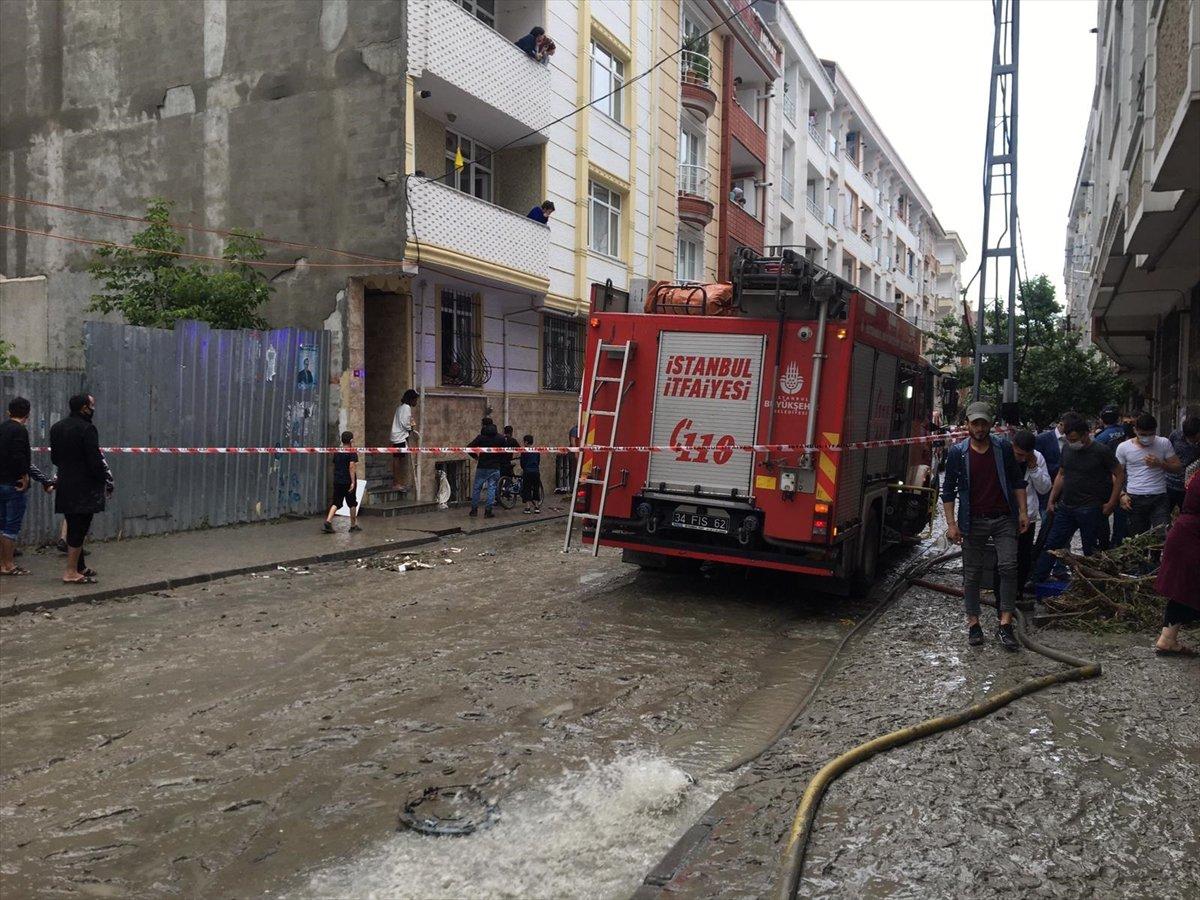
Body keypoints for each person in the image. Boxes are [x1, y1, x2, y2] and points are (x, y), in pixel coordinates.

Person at [941, 401, 1029, 650]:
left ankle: (1005, 623)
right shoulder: (958, 453)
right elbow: (947, 491)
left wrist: (1022, 512)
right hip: (973, 521)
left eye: (984, 423)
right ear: (967, 424)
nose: (979, 428)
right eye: (975, 423)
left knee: (1009, 566)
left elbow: (1016, 482)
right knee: (973, 572)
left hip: (1003, 518)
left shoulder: (1001, 448)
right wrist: (951, 524)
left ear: (991, 424)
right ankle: (973, 623)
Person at [1031, 413, 1123, 584]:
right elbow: (1061, 474)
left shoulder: (1101, 451)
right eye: (1068, 439)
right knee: (1052, 544)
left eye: (1074, 439)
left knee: (1093, 550)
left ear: (1085, 434)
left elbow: (1119, 474)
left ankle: (1095, 584)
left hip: (1092, 508)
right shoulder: (1067, 448)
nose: (1072, 443)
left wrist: (1112, 502)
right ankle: (1037, 580)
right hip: (1066, 507)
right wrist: (1052, 499)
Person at [49, 393, 110, 585]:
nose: (93, 409)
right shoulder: (87, 429)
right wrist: (105, 480)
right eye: (92, 405)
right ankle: (70, 572)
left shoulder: (57, 427)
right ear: (84, 407)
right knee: (79, 528)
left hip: (66, 483)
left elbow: (55, 458)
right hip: (85, 486)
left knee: (73, 523)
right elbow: (95, 460)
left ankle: (79, 567)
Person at [1, 397, 56, 576]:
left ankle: (2, 563)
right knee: (11, 527)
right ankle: (8, 564)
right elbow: (19, 457)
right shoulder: (20, 431)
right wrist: (24, 476)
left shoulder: (2, 428)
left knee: (2, 525)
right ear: (28, 414)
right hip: (14, 485)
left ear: (9, 412)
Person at [1153, 467, 1199, 656]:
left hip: (1185, 535)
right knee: (1187, 587)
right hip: (1192, 537)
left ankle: (1167, 639)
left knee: (1184, 588)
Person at [1115, 412, 1180, 538]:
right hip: (1135, 498)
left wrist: (1160, 464)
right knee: (1138, 539)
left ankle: (1156, 558)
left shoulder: (1163, 443)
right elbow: (1116, 475)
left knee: (1162, 536)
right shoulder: (1124, 447)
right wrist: (1121, 495)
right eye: (1143, 435)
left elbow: (1177, 468)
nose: (1147, 438)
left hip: (1159, 498)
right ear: (1135, 430)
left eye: (1151, 434)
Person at [1010, 429, 1051, 593]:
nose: (1021, 459)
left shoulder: (1037, 458)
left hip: (1028, 517)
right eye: (1018, 454)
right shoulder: (1005, 456)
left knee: (1023, 557)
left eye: (1025, 455)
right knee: (1005, 558)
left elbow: (1044, 488)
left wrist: (1033, 467)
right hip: (1006, 515)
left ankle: (1018, 591)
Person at [467, 418, 506, 519]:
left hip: (482, 466)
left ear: (483, 425)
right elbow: (505, 452)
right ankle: (488, 511)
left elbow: (469, 447)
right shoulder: (500, 438)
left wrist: (475, 457)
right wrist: (500, 460)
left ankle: (474, 510)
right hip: (494, 467)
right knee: (491, 488)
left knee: (477, 488)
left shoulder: (481, 438)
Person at [323, 431, 361, 534]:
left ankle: (328, 521)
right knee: (352, 503)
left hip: (338, 480)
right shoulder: (352, 452)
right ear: (351, 440)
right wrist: (353, 482)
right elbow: (351, 466)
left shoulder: (337, 451)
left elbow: (335, 464)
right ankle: (353, 525)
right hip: (348, 481)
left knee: (336, 502)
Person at [1165, 415, 1200, 515]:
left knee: (1187, 516)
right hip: (1169, 484)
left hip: (1189, 488)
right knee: (1164, 517)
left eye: (1194, 437)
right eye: (1189, 437)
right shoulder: (1175, 436)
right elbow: (1167, 453)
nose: (1192, 440)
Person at [390, 389, 419, 493]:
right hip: (400, 437)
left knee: (397, 459)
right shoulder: (406, 408)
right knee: (398, 460)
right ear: (411, 399)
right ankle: (397, 483)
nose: (416, 402)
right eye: (415, 399)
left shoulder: (400, 407)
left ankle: (397, 482)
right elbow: (405, 422)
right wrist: (410, 428)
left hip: (397, 436)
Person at [520, 434, 542, 514]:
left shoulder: (524, 451)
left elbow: (522, 462)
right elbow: (538, 461)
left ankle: (528, 507)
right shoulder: (536, 450)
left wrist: (524, 468)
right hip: (536, 471)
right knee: (536, 488)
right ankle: (536, 507)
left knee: (527, 489)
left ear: (526, 442)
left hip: (527, 471)